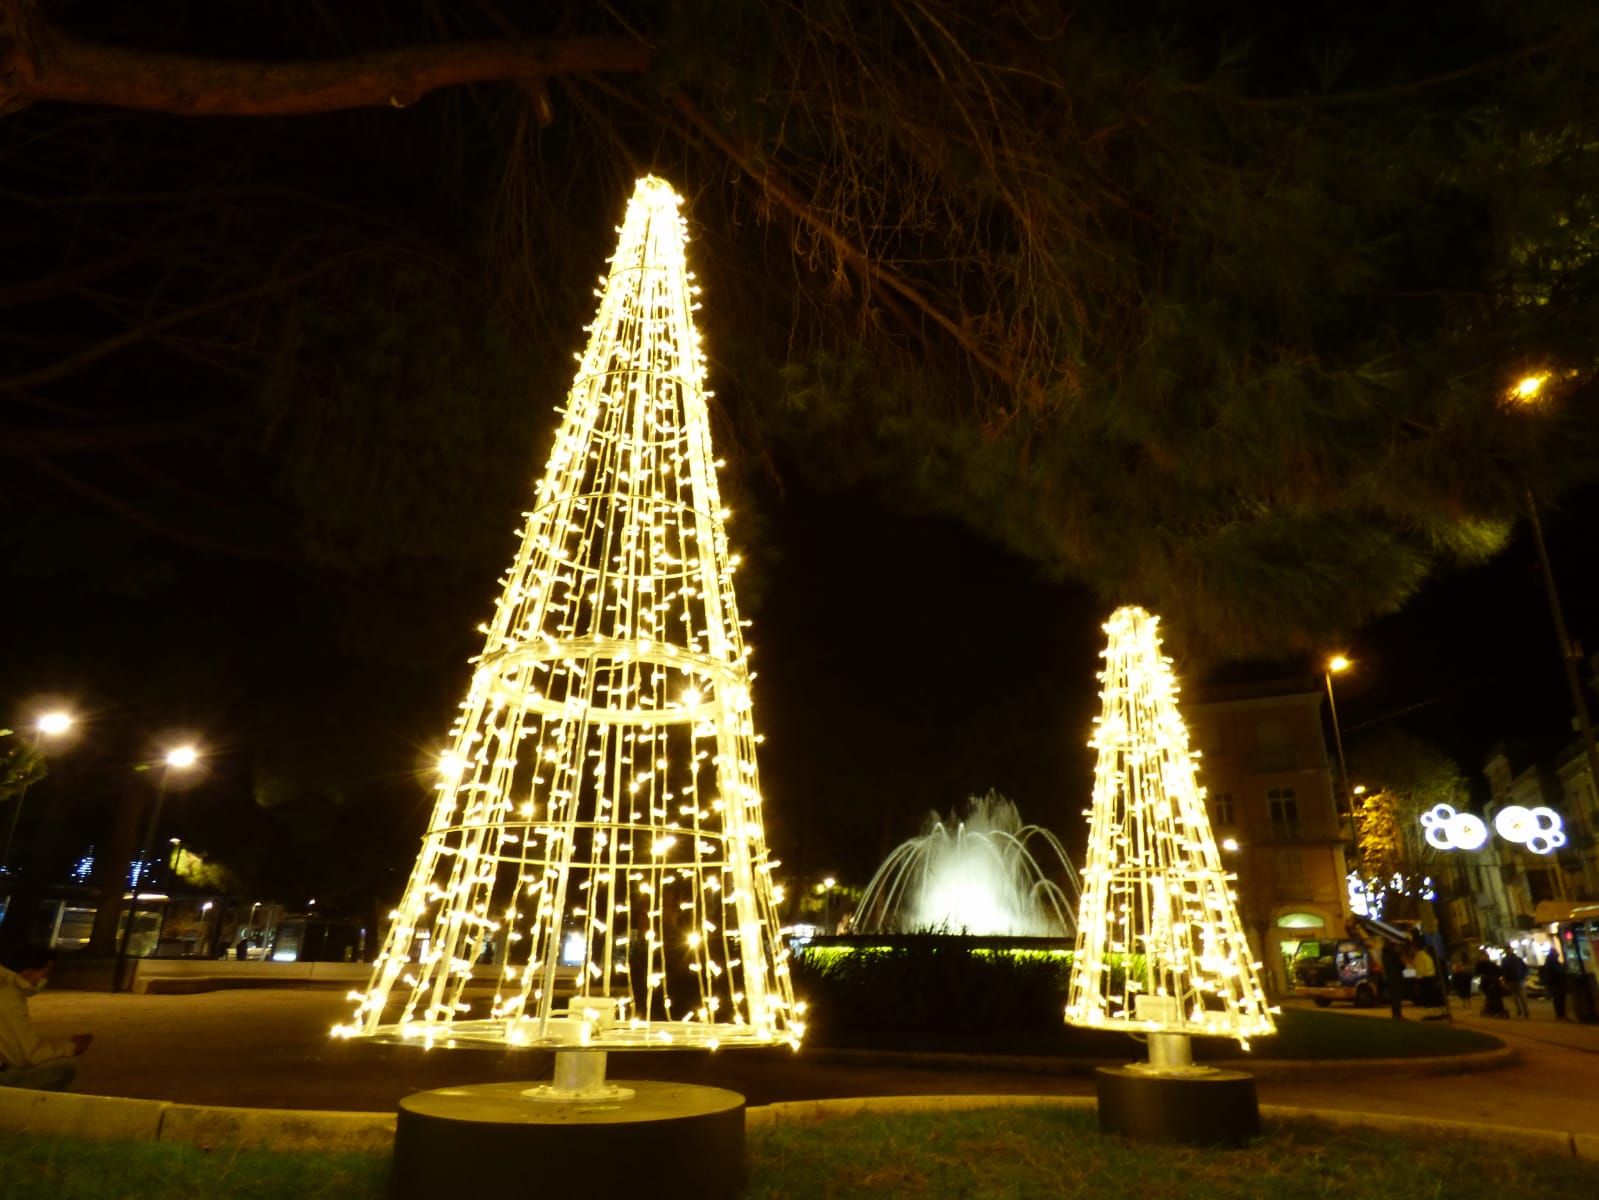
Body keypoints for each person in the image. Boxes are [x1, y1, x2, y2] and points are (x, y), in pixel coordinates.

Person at [0, 945, 93, 1091]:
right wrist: (71, 1048)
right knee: (66, 1067)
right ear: (28, 972)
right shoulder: (8, 996)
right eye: (44, 974)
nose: (44, 980)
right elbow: (27, 1055)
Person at [1412, 934, 1445, 1020]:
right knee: (1433, 996)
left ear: (1416, 947)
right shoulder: (1427, 956)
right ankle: (1437, 1013)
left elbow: (1420, 970)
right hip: (1431, 978)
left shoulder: (1418, 957)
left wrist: (1417, 980)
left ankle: (1431, 1014)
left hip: (1424, 979)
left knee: (1427, 997)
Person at [1475, 949, 1508, 1018]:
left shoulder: (1490, 964)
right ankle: (1492, 1011)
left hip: (1493, 982)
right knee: (1490, 998)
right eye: (1484, 956)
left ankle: (1497, 1011)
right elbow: (1477, 973)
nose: (1485, 957)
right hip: (1487, 982)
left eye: (1486, 956)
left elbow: (1499, 971)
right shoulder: (1480, 964)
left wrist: (1498, 978)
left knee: (1495, 998)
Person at [1501, 947, 1531, 1019]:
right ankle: (1526, 1012)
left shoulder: (1505, 960)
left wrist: (1505, 981)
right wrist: (1524, 976)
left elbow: (1504, 971)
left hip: (1511, 981)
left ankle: (1519, 1011)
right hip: (1520, 980)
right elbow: (1526, 968)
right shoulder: (1518, 959)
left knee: (1515, 997)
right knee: (1523, 997)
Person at [1540, 946, 1569, 1020]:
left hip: (1554, 983)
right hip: (1557, 983)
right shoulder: (1553, 961)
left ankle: (1560, 1014)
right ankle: (1561, 1015)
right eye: (1556, 952)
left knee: (1557, 999)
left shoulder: (1550, 961)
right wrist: (1563, 969)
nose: (1558, 954)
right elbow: (1557, 972)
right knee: (1559, 999)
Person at [1381, 939, 1407, 1019]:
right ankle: (1398, 1014)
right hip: (1397, 977)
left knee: (1393, 997)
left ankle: (1395, 1014)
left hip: (1390, 977)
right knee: (1397, 997)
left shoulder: (1384, 954)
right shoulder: (1394, 954)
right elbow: (1402, 966)